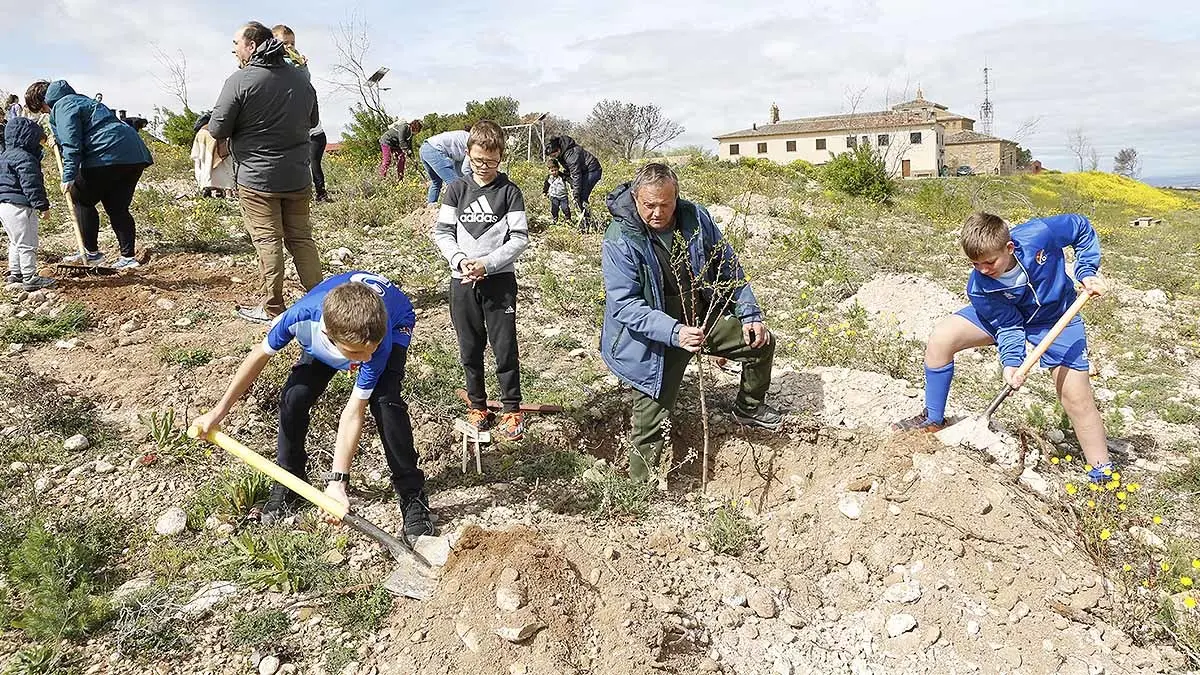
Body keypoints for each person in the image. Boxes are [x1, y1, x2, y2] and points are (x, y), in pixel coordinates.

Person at [191, 272, 432, 535]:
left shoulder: (376, 345)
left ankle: (412, 493)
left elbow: (353, 411)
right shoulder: (299, 318)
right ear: (328, 332)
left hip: (395, 322)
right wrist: (219, 410)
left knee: (385, 403)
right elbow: (258, 356)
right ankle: (290, 480)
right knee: (295, 396)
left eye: (369, 350)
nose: (366, 358)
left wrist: (337, 482)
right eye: (356, 354)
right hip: (330, 332)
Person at [892, 212, 1114, 481]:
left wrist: (1087, 272)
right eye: (975, 264)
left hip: (1057, 316)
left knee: (1077, 398)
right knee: (943, 337)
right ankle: (933, 420)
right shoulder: (979, 286)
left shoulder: (1039, 234)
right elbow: (1008, 325)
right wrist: (1011, 363)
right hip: (1012, 316)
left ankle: (1102, 475)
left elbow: (1080, 227)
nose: (983, 269)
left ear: (1009, 248)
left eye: (989, 262)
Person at [600, 163, 781, 483]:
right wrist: (674, 333)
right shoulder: (620, 237)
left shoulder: (696, 218)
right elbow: (626, 305)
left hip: (700, 317)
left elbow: (728, 266)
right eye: (649, 205)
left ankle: (749, 407)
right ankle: (637, 492)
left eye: (665, 204)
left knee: (760, 344)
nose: (657, 213)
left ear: (676, 196)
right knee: (648, 425)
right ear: (635, 197)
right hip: (652, 336)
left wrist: (750, 314)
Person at [209, 21, 322, 323]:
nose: (234, 49)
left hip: (257, 179)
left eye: (236, 43)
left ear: (251, 45)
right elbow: (312, 120)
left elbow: (218, 128)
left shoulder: (240, 80)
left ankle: (272, 308)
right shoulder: (301, 79)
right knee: (301, 239)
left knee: (268, 241)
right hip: (298, 177)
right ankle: (321, 301)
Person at [431, 121, 529, 441]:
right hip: (461, 281)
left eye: (491, 161)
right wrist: (459, 260)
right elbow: (443, 232)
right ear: (468, 154)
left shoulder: (509, 192)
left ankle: (511, 408)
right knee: (469, 347)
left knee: (504, 347)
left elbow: (519, 239)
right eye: (477, 161)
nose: (483, 168)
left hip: (498, 281)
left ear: (501, 156)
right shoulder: (457, 189)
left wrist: (487, 264)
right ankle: (478, 406)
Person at [25, 80, 153, 270]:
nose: (44, 112)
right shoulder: (84, 101)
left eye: (42, 109)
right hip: (134, 156)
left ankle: (91, 253)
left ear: (44, 101)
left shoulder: (62, 105)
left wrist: (68, 177)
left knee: (81, 198)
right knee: (117, 207)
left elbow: (71, 143)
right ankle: (128, 258)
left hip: (106, 154)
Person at [271, 24, 330, 203]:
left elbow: (306, 81)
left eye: (292, 43)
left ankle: (317, 192)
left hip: (306, 127)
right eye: (285, 43)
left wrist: (301, 65)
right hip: (285, 121)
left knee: (308, 163)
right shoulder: (273, 63)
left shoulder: (296, 64)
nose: (289, 47)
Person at [0, 117, 55, 291]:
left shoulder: (4, 156)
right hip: (20, 207)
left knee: (15, 241)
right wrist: (42, 206)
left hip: (4, 205)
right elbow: (31, 184)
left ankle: (15, 273)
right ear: (28, 138)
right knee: (28, 242)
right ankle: (30, 278)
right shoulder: (25, 158)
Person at [546, 135, 602, 231]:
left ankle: (587, 224)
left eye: (554, 156)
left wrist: (575, 192)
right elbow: (570, 170)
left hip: (593, 170)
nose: (554, 158)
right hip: (583, 171)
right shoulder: (562, 153)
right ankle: (585, 222)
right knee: (579, 196)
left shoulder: (571, 155)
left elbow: (576, 174)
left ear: (558, 150)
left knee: (581, 196)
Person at [190, 112, 235, 199]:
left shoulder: (201, 131)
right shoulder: (222, 128)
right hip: (221, 164)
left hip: (205, 162)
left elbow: (196, 155)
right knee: (224, 168)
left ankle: (207, 190)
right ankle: (224, 192)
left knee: (204, 167)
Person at [419, 128, 470, 204]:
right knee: (454, 183)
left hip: (424, 148)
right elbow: (465, 170)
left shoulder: (465, 138)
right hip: (434, 149)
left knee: (436, 182)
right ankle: (465, 205)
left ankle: (431, 206)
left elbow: (459, 169)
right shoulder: (474, 144)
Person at [543, 158, 571, 224]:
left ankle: (568, 219)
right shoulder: (548, 178)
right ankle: (555, 219)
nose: (554, 172)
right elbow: (546, 186)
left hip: (563, 196)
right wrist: (544, 192)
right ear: (549, 170)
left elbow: (569, 179)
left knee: (565, 208)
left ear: (558, 169)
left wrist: (573, 186)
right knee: (554, 209)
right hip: (554, 196)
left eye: (556, 170)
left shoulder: (562, 176)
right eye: (552, 171)